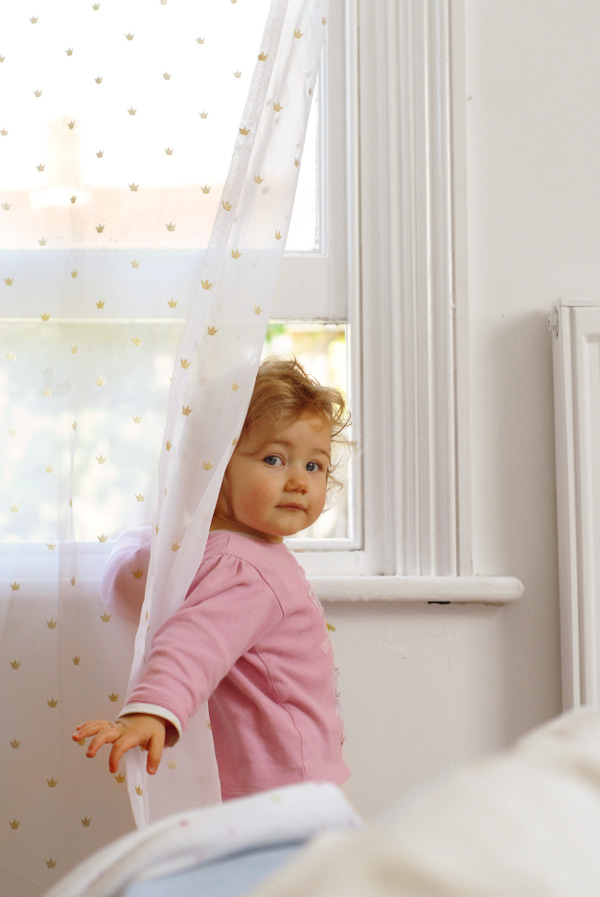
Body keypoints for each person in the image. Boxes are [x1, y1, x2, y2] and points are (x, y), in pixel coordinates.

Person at [72, 356, 351, 800]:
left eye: (314, 466)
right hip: (288, 788)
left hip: (279, 782)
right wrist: (153, 709)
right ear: (213, 467)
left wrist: (149, 544)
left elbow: (129, 589)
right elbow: (193, 642)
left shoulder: (216, 553)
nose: (300, 481)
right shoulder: (244, 566)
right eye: (275, 459)